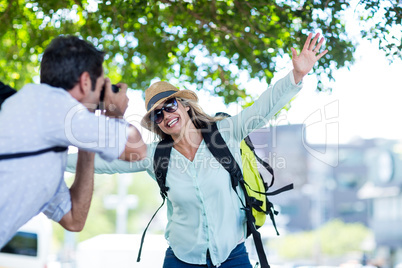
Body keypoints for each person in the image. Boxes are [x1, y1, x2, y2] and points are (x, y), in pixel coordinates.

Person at [67, 33, 328, 267]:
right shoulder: (155, 156)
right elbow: (104, 162)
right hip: (182, 260)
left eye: (170, 106)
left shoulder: (225, 132)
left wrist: (296, 76)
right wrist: (53, 158)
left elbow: (263, 108)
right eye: (157, 114)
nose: (166, 115)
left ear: (185, 105)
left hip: (233, 257)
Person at [0, 35, 147, 247]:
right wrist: (115, 115)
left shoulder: (46, 137)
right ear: (85, 81)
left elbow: (74, 219)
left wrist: (89, 145)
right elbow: (137, 149)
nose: (101, 96)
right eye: (100, 87)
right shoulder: (50, 105)